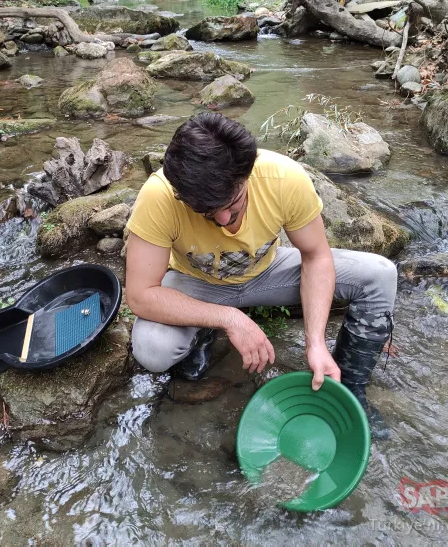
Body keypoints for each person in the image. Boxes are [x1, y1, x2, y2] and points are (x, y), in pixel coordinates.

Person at [124, 112, 397, 437]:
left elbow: (316, 257)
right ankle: (203, 333)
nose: (225, 220)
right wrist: (229, 319)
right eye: (208, 213)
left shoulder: (284, 178)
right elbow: (140, 296)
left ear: (247, 173)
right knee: (151, 349)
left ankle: (349, 391)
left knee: (380, 274)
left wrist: (315, 343)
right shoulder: (159, 196)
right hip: (196, 282)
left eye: (233, 203)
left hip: (269, 272)